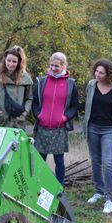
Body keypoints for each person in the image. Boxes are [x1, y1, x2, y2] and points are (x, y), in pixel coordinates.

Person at [83, 59, 112, 214]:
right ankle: (99, 191)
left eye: (101, 72)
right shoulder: (91, 85)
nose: (98, 74)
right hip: (93, 128)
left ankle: (109, 199)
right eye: (96, 71)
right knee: (95, 161)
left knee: (107, 163)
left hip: (110, 130)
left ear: (109, 73)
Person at [32, 52, 79, 186]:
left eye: (57, 66)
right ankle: (37, 184)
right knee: (40, 159)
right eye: (51, 65)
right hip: (42, 127)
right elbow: (35, 103)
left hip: (59, 128)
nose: (53, 68)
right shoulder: (41, 82)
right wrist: (38, 115)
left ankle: (59, 186)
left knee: (59, 160)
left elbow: (74, 106)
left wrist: (65, 117)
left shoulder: (70, 84)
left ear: (64, 66)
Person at [0, 45, 33, 129]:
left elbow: (29, 98)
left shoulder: (26, 78)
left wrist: (25, 112)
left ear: (19, 62)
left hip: (18, 122)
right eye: (9, 60)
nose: (11, 64)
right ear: (5, 60)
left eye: (14, 62)